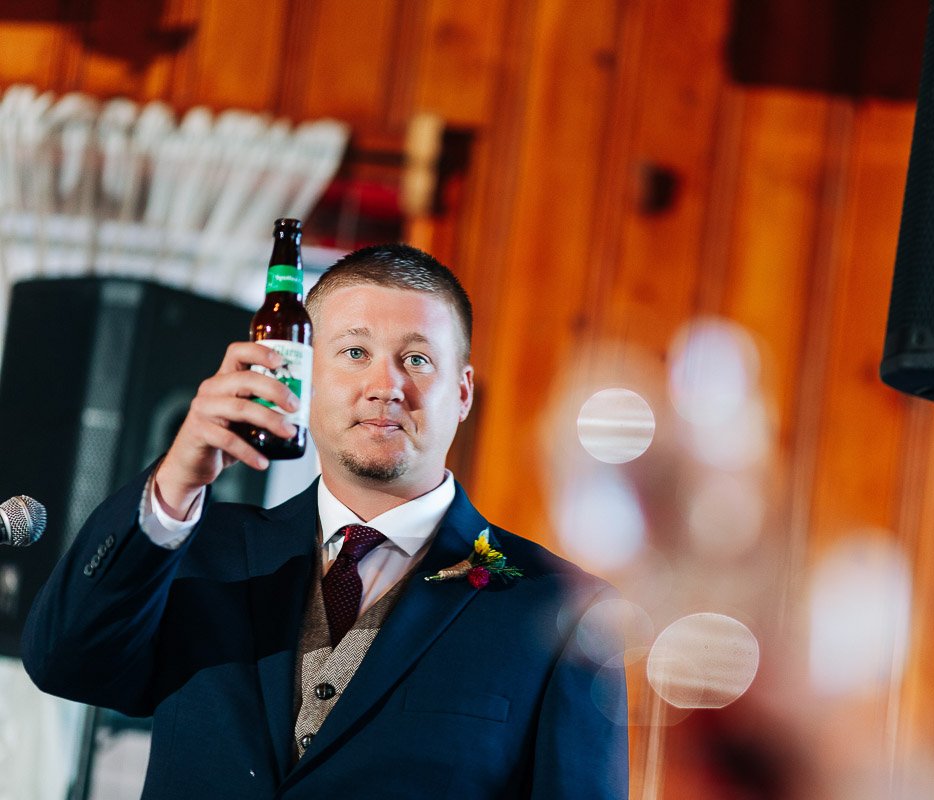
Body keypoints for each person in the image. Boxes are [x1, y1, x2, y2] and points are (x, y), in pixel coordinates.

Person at [21, 244, 629, 799]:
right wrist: (176, 480)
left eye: (416, 359)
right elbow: (63, 662)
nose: (384, 386)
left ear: (463, 392)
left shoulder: (563, 612)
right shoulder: (199, 548)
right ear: (306, 378)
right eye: (354, 352)